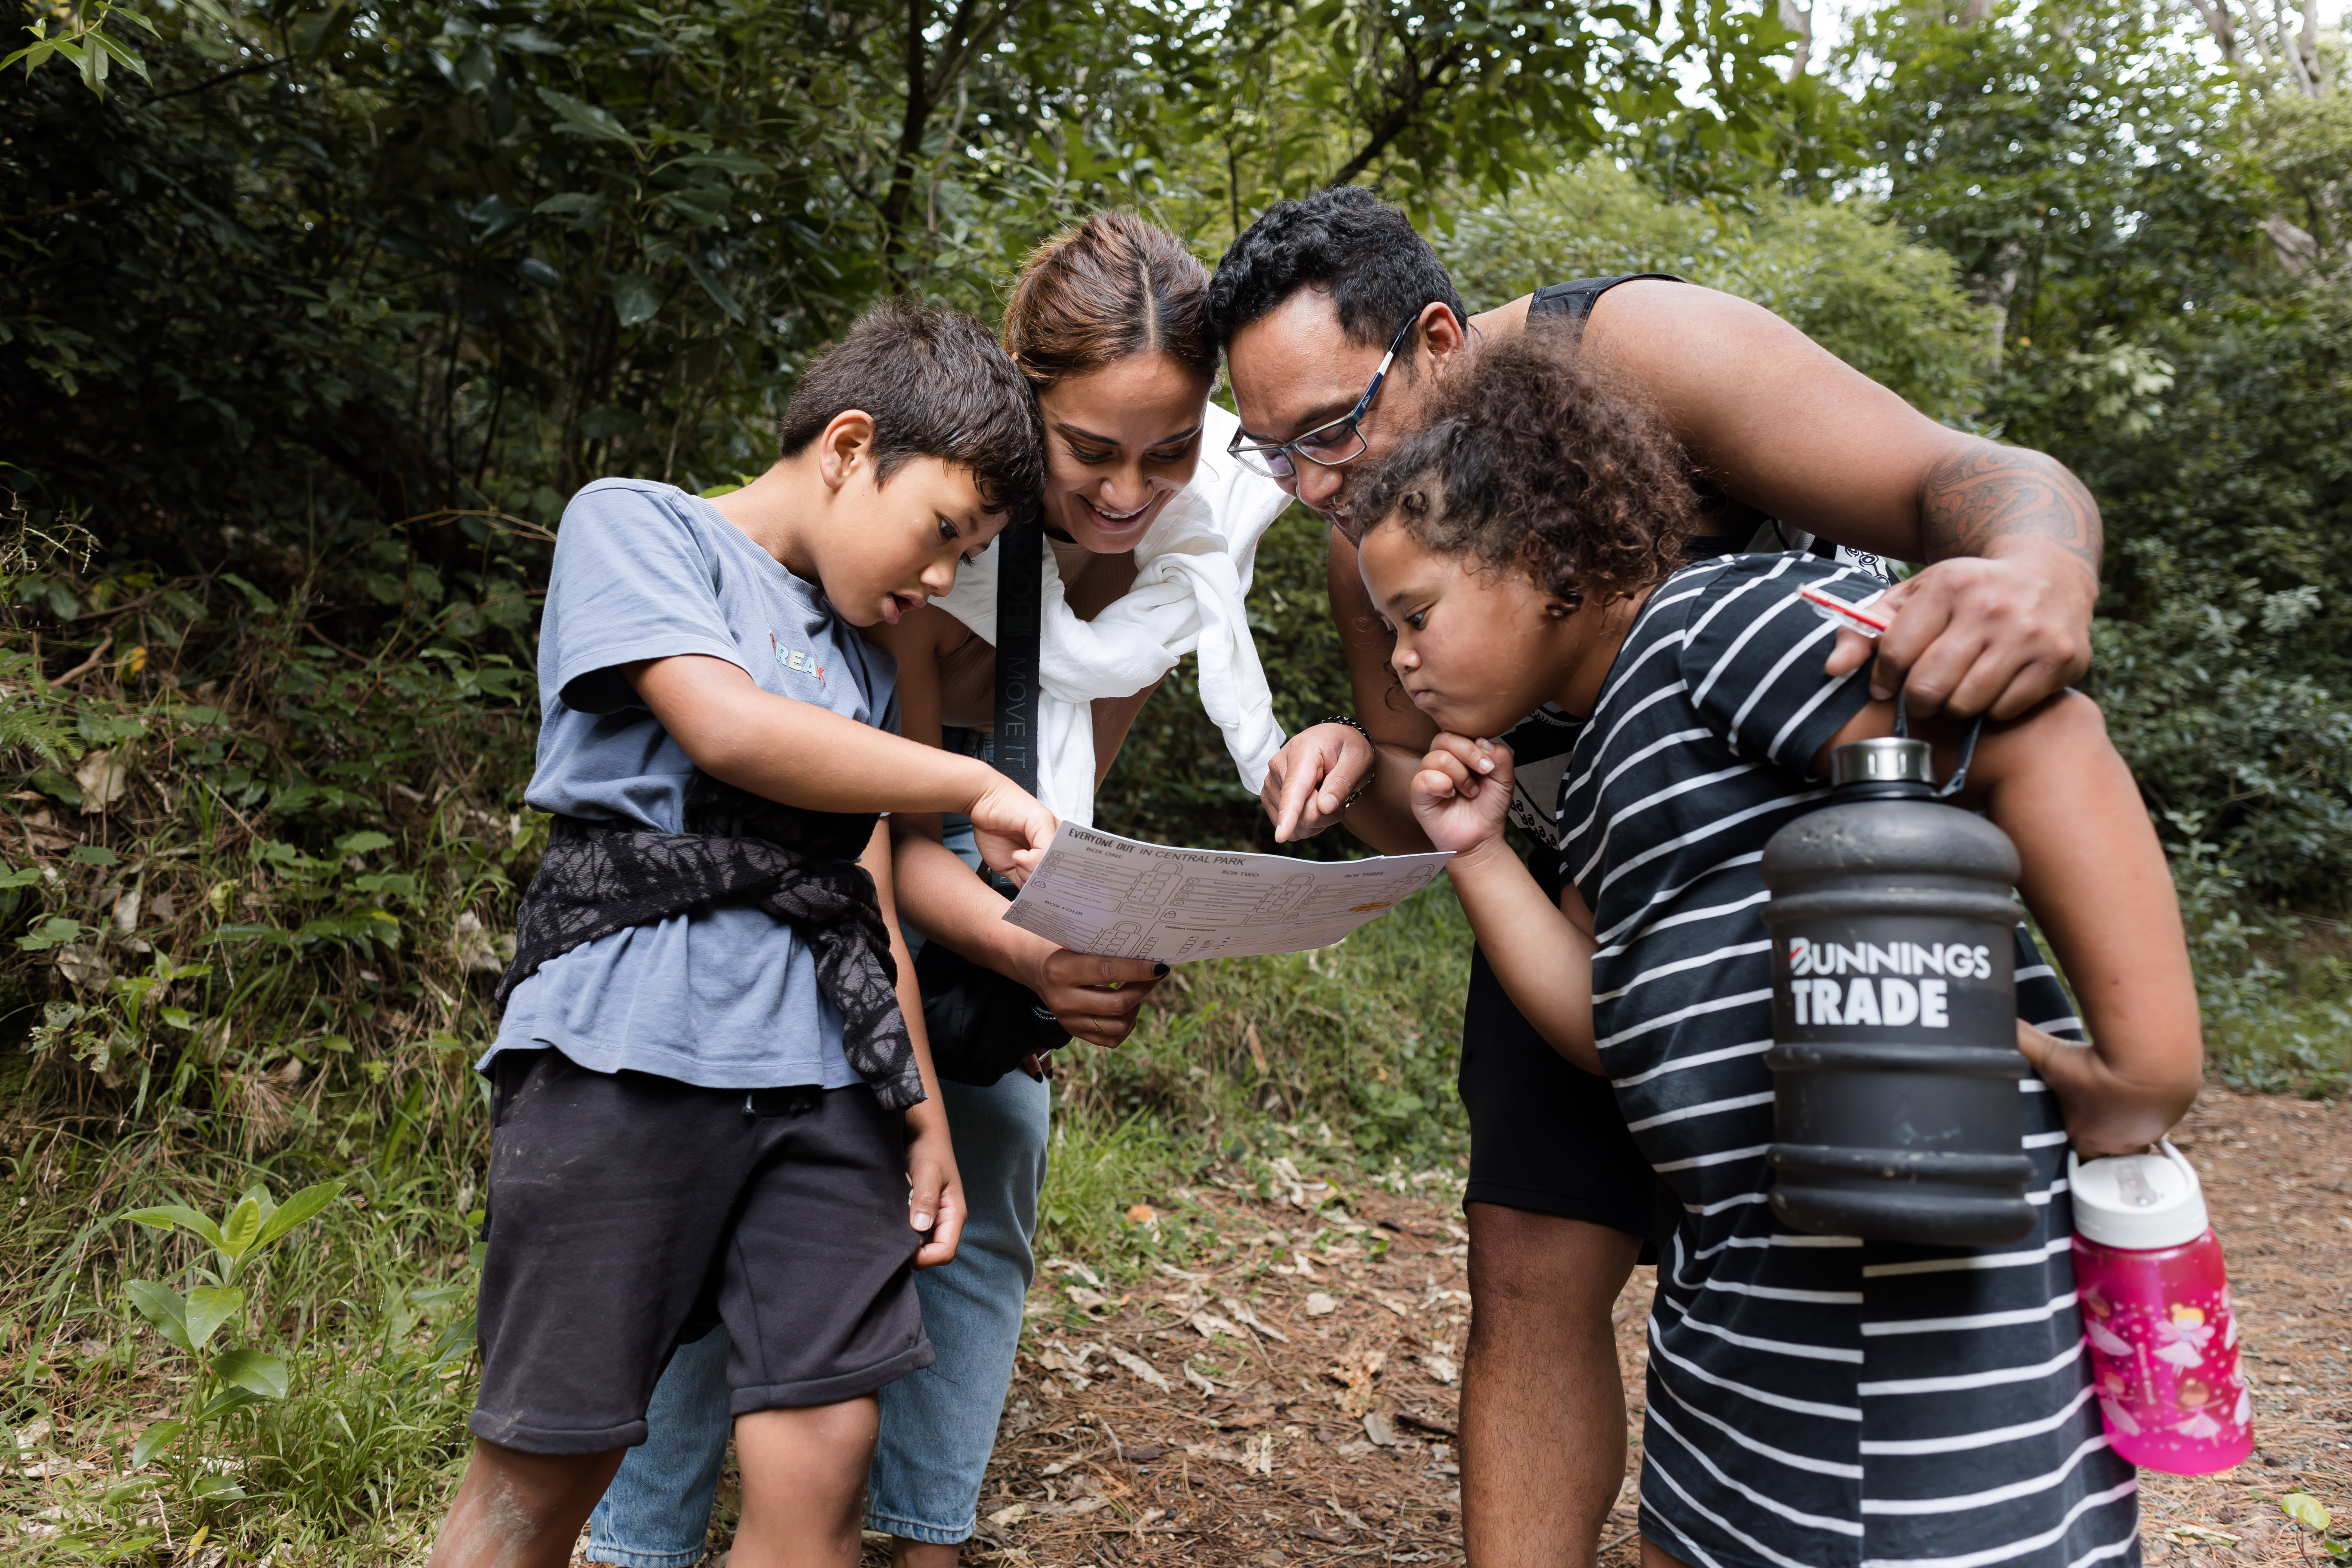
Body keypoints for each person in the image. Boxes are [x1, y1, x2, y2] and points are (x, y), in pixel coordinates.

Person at [1204, 186, 2110, 1568]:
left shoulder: (1642, 352)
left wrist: (2042, 566)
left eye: (1332, 429)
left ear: (1438, 340)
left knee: (1844, 1264)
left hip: (1813, 889)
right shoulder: (1364, 541)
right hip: (1582, 902)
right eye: (1276, 456)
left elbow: (1967, 477)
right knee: (1527, 1253)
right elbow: (1430, 794)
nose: (1319, 484)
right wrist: (1347, 765)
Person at [1367, 326, 2202, 1568]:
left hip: (1916, 1290)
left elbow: (2044, 740)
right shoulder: (1599, 762)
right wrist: (1479, 851)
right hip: (1740, 1307)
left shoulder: (1724, 629)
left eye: (1417, 614)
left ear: (1541, 560)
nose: (1399, 660)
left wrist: (2146, 1068)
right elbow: (1606, 1027)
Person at [586, 211, 1294, 1568]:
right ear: (1027, 410)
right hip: (830, 840)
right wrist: (1021, 945)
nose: (1130, 492)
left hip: (976, 855)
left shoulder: (1170, 561)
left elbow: (1057, 801)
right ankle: (646, 1532)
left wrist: (1084, 937)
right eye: (1091, 452)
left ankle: (924, 1533)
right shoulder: (926, 543)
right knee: (741, 1162)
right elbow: (888, 812)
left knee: (995, 1159)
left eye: (1169, 452)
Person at [430, 299, 1059, 1568]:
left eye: (970, 553)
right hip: (627, 1054)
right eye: (942, 531)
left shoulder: (870, 653)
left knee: (826, 1450)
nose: (941, 581)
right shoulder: (640, 524)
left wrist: (922, 1117)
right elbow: (723, 727)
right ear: (845, 445)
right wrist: (972, 784)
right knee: (545, 1471)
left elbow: (865, 887)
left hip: (831, 1081)